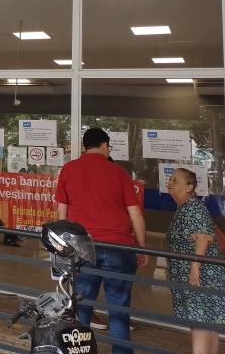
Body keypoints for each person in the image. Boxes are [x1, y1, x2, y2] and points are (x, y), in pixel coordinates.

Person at [55, 127, 147, 354]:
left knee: (82, 306)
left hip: (83, 246)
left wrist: (66, 245)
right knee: (119, 308)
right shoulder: (118, 172)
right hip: (118, 246)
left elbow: (61, 213)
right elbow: (135, 214)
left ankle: (78, 351)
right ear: (105, 146)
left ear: (85, 146)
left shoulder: (69, 169)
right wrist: (142, 247)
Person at [166, 168, 225, 354]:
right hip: (197, 274)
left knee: (199, 320)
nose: (170, 183)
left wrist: (195, 268)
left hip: (201, 275)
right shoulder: (185, 207)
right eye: (170, 179)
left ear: (189, 187)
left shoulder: (192, 207)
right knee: (208, 321)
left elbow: (203, 238)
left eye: (175, 180)